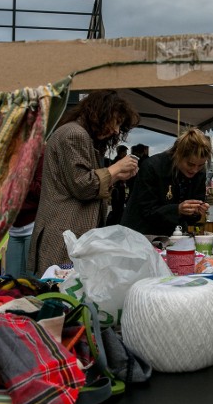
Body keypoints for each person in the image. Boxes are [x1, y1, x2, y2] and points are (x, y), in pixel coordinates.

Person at [28, 90, 140, 275]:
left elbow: (79, 182)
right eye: (116, 121)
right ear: (100, 113)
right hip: (64, 236)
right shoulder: (74, 134)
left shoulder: (79, 134)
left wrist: (118, 176)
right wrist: (116, 168)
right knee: (63, 297)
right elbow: (84, 186)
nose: (116, 130)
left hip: (70, 235)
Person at [121, 127, 212, 235]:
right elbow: (146, 211)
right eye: (190, 164)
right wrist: (177, 209)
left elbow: (191, 219)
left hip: (174, 236)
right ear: (178, 154)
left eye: (200, 165)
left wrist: (196, 212)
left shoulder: (200, 173)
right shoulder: (152, 167)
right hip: (140, 234)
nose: (195, 170)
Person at [105, 145, 129, 226]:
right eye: (125, 152)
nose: (126, 154)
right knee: (117, 209)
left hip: (119, 188)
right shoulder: (118, 162)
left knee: (119, 208)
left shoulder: (117, 161)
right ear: (121, 153)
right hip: (117, 188)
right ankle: (113, 223)